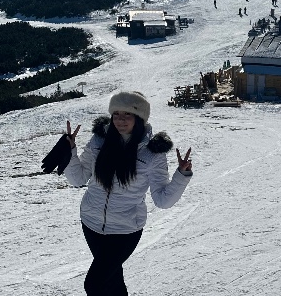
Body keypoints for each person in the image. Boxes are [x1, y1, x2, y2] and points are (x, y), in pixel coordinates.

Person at [63, 91, 193, 295]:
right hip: (91, 224)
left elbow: (163, 200)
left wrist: (181, 175)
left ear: (139, 118)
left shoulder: (152, 153)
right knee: (113, 283)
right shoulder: (99, 142)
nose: (120, 120)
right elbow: (77, 179)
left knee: (94, 284)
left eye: (127, 114)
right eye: (116, 114)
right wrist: (69, 151)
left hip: (125, 231)